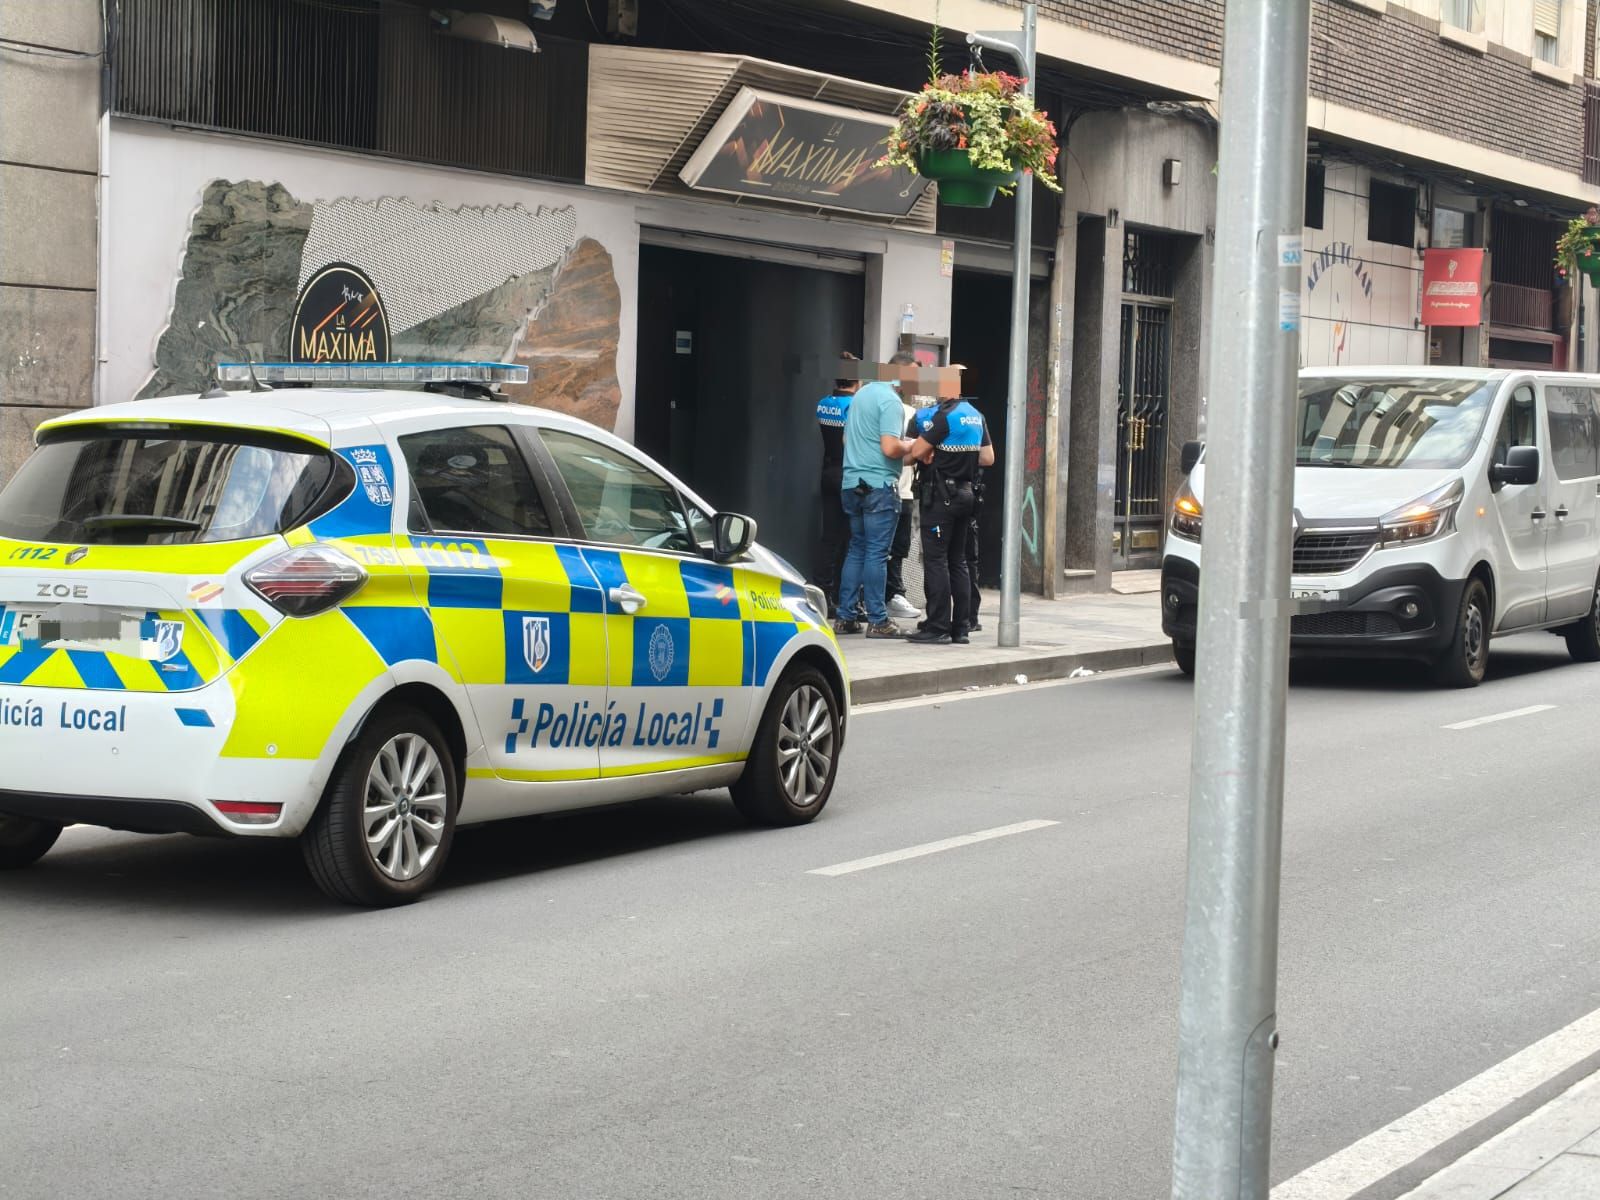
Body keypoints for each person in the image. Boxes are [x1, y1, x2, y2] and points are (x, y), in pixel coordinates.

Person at [836, 351, 918, 639]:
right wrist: (911, 445)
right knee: (876, 553)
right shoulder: (891, 401)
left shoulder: (862, 395)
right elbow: (889, 449)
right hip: (878, 487)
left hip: (851, 483)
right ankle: (878, 620)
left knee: (857, 548)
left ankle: (845, 617)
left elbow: (847, 439)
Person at [905, 391, 994, 644]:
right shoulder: (976, 416)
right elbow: (988, 458)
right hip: (966, 494)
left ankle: (937, 626)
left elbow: (914, 453)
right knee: (958, 561)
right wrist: (960, 457)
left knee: (936, 560)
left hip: (941, 495)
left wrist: (935, 452)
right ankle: (961, 627)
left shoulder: (943, 417)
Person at [814, 353, 860, 616]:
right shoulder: (855, 407)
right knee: (854, 539)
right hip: (849, 473)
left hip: (828, 471)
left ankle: (823, 593)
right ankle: (847, 598)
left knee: (829, 537)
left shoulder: (824, 403)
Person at [884, 386, 921, 621]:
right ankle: (893, 594)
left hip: (901, 490)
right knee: (889, 548)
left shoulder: (910, 412)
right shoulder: (907, 412)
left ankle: (894, 594)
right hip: (894, 488)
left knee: (896, 548)